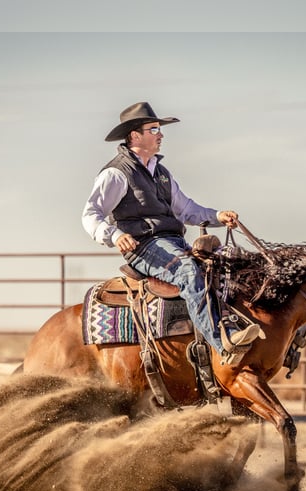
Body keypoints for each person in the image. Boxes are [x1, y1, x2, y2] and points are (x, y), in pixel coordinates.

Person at [82, 101, 261, 364]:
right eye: (153, 129)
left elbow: (186, 209)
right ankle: (223, 342)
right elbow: (91, 214)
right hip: (144, 246)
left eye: (158, 129)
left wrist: (216, 216)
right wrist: (114, 235)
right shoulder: (116, 173)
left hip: (172, 242)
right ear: (135, 135)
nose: (160, 135)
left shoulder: (161, 173)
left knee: (231, 262)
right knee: (188, 271)